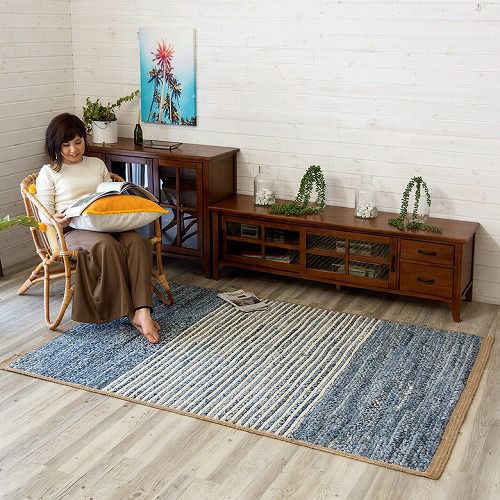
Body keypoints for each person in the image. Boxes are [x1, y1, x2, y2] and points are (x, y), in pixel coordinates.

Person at [36, 113, 160, 343]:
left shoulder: (97, 164)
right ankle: (129, 311)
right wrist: (56, 219)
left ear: (84, 139)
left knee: (137, 242)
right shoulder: (49, 172)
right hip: (71, 230)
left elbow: (109, 194)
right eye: (66, 145)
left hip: (105, 223)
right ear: (55, 145)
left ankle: (143, 310)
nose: (73, 150)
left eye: (78, 142)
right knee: (106, 245)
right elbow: (44, 212)